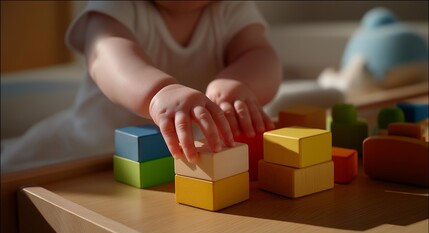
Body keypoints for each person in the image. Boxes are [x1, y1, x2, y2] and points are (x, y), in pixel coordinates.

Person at [1, 1, 281, 173]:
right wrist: (159, 91)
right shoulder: (119, 4)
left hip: (179, 157)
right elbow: (106, 54)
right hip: (88, 151)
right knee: (14, 170)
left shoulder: (232, 7)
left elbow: (260, 54)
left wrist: (240, 81)